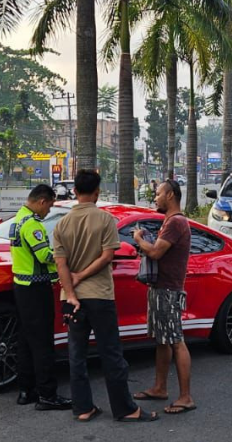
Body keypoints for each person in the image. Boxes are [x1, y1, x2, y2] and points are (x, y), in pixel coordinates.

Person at [53, 169, 157, 423]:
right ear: (97, 193)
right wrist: (82, 276)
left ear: (75, 191)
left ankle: (83, 408)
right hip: (100, 296)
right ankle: (125, 409)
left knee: (76, 355)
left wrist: (71, 290)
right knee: (110, 353)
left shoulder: (61, 224)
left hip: (72, 300)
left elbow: (60, 264)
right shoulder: (104, 219)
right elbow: (107, 256)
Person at [131, 179, 196, 415]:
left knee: (176, 341)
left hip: (168, 291)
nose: (155, 197)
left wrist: (139, 239)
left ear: (170, 195)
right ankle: (160, 388)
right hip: (161, 289)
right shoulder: (171, 221)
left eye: (158, 193)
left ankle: (186, 397)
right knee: (162, 340)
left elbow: (156, 252)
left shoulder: (176, 222)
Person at [9, 184, 73, 411]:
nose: (49, 211)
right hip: (36, 290)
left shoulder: (18, 219)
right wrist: (64, 256)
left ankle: (26, 391)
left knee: (26, 341)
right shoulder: (32, 225)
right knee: (43, 343)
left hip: (22, 287)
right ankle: (47, 395)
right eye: (50, 206)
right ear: (42, 201)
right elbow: (44, 255)